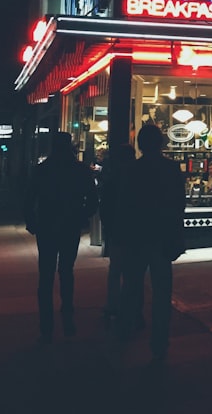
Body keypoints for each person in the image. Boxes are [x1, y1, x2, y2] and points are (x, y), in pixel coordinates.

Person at [111, 124, 186, 363]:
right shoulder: (171, 169)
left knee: (132, 286)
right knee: (162, 292)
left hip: (137, 236)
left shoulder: (131, 170)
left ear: (141, 145)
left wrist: (121, 235)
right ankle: (159, 342)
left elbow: (122, 205)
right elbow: (178, 205)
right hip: (162, 235)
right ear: (161, 143)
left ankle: (125, 328)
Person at [23, 132, 99, 343]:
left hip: (47, 226)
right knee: (66, 271)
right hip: (70, 226)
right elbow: (93, 201)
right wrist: (81, 216)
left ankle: (46, 326)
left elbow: (29, 198)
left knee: (45, 275)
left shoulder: (43, 170)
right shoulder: (80, 170)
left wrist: (32, 222)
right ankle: (68, 318)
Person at [97, 143, 135, 323]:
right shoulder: (139, 177)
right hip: (135, 231)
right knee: (133, 271)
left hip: (117, 230)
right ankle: (131, 307)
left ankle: (113, 305)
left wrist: (108, 227)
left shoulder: (113, 178)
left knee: (116, 270)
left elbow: (104, 206)